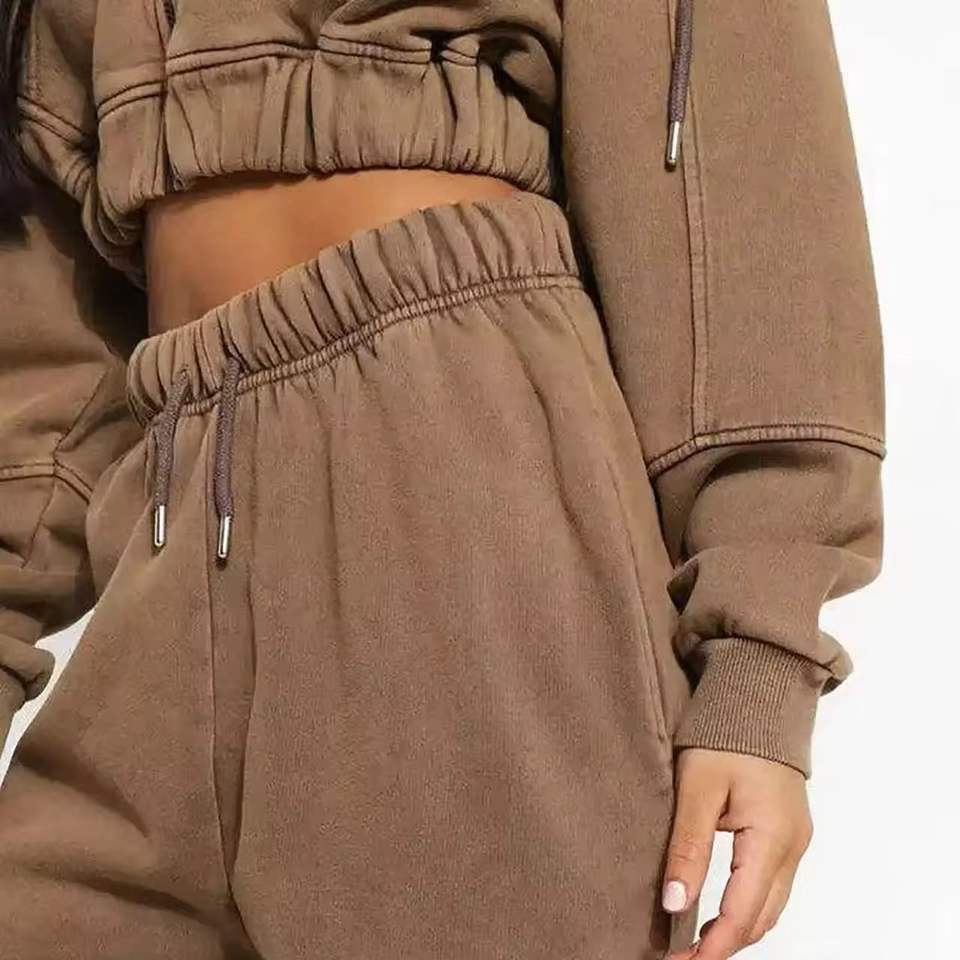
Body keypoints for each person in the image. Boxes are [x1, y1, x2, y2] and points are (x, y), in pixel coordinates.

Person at [0, 2, 884, 958]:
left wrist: (759, 661)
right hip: (172, 512)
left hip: (453, 478)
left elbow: (727, 148)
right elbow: (44, 346)